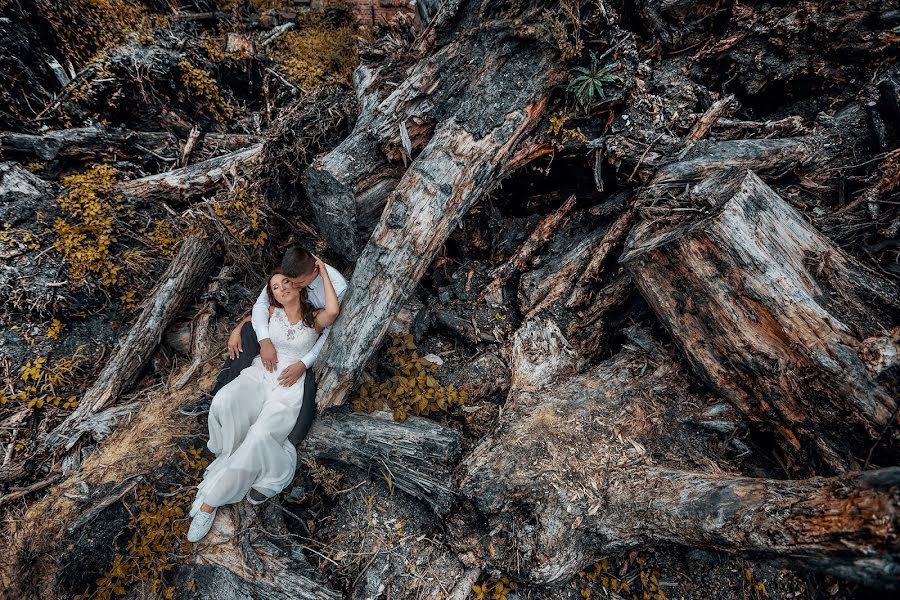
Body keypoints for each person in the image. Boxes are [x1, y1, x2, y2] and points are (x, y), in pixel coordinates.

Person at [186, 258, 341, 543]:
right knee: (225, 400)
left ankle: (210, 505)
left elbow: (334, 310)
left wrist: (322, 268)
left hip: (287, 385)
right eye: (275, 286)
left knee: (259, 435)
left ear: (297, 286)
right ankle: (228, 450)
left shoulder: (314, 318)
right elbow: (251, 319)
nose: (281, 288)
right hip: (261, 372)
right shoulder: (273, 311)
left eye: (285, 283)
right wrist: (237, 329)